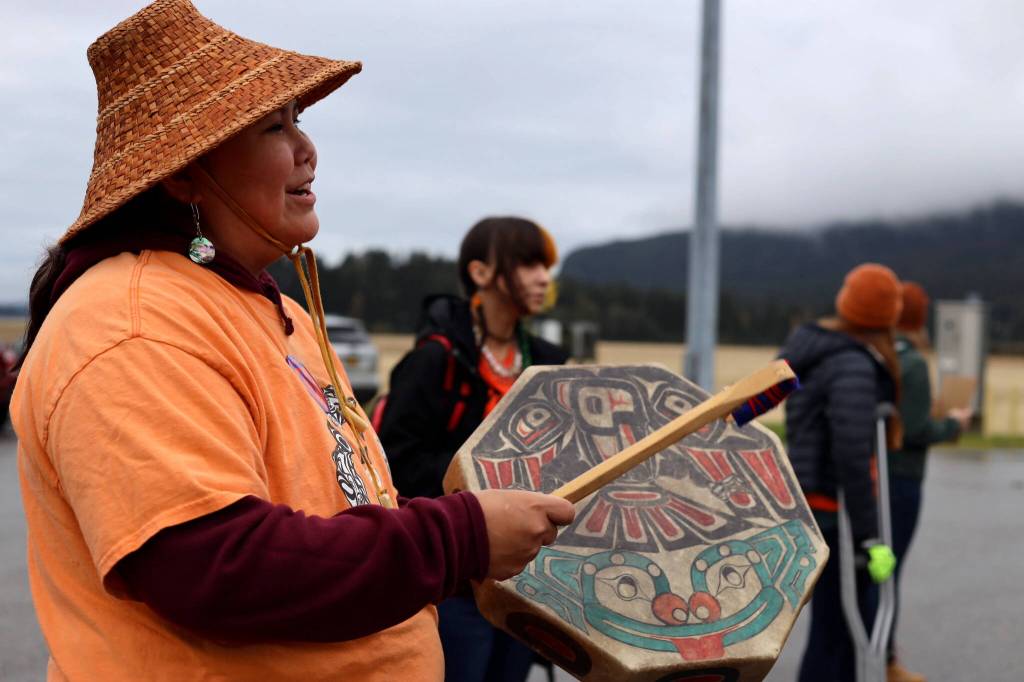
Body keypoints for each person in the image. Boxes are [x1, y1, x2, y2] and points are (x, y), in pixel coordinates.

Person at [11, 3, 574, 680]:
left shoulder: (275, 311)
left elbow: (343, 509)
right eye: (272, 127)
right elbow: (212, 565)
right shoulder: (129, 326)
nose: (307, 149)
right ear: (184, 172)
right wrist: (460, 538)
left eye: (298, 120)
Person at [377, 216, 569, 682]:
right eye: (528, 263)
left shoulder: (548, 364)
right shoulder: (434, 360)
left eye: (546, 265)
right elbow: (391, 461)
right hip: (455, 582)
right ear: (481, 273)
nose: (544, 277)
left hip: (527, 583)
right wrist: (487, 487)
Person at [777, 263, 902, 682]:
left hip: (808, 502)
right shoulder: (853, 365)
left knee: (829, 627)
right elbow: (851, 455)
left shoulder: (809, 347)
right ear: (886, 315)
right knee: (837, 632)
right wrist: (870, 538)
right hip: (834, 512)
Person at [884, 281, 972, 682]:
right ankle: (886, 659)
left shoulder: (878, 354)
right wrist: (953, 423)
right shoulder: (914, 363)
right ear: (919, 319)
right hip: (902, 479)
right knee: (889, 570)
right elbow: (915, 429)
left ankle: (877, 652)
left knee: (872, 568)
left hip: (871, 473)